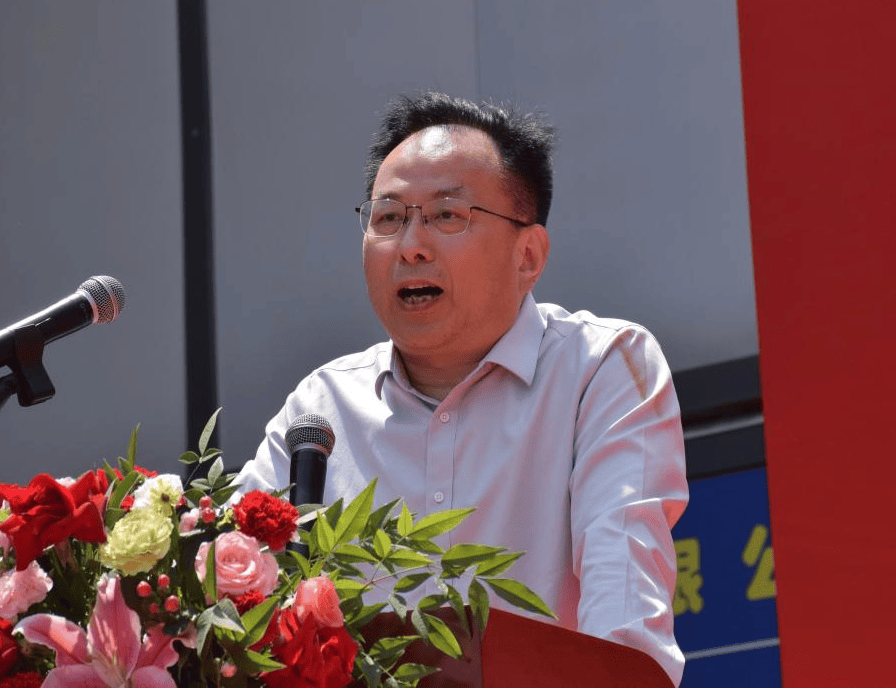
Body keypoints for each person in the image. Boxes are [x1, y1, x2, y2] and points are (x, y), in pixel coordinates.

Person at [233, 91, 688, 684]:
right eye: (389, 218)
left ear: (528, 255)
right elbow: (229, 603)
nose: (410, 245)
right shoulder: (320, 411)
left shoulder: (598, 369)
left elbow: (622, 624)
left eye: (447, 216)